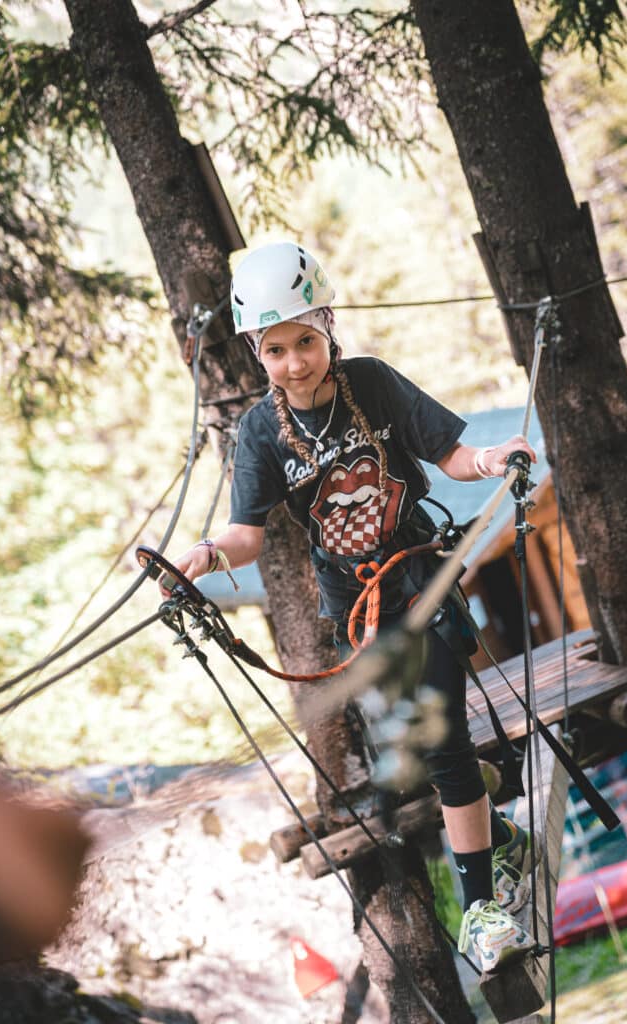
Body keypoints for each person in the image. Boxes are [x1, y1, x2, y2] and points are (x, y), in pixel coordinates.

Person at [170, 241, 537, 972]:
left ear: (328, 325)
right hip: (356, 614)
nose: (295, 362)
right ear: (255, 350)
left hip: (417, 584)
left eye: (305, 340)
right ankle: (502, 842)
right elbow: (247, 534)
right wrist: (205, 555)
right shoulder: (258, 433)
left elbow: (452, 453)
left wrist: (494, 459)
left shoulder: (370, 384)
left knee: (445, 751)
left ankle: (480, 915)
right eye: (275, 349)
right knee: (421, 753)